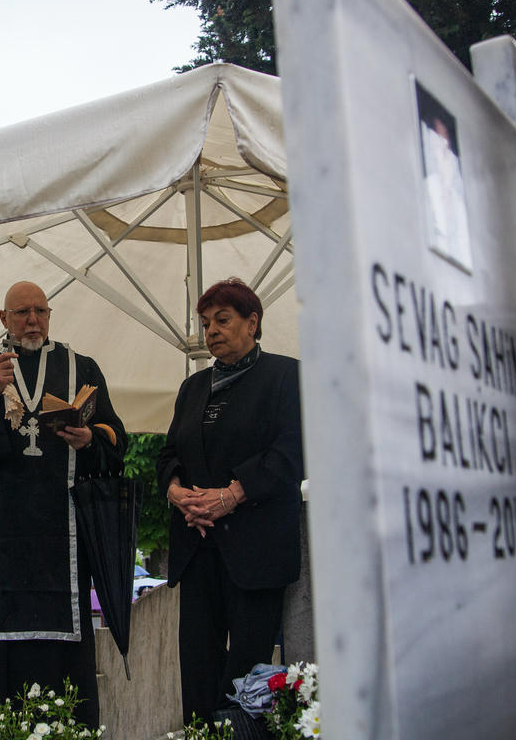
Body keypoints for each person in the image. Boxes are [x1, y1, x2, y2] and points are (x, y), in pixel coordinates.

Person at [0, 281, 127, 727]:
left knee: (64, 663)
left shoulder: (82, 367)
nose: (33, 321)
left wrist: (90, 438)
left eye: (41, 311)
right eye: (21, 312)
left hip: (65, 537)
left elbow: (117, 443)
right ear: (3, 319)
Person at [158, 278, 304, 725]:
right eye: (205, 324)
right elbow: (169, 455)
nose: (212, 331)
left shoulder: (287, 375)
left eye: (222, 320)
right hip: (198, 547)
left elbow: (294, 450)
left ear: (252, 322)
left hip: (256, 551)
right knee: (198, 670)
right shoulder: (192, 388)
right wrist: (177, 492)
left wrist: (232, 494)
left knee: (247, 675)